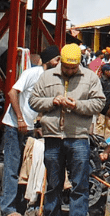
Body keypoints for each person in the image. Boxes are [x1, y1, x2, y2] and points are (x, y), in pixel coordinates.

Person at [29, 43, 105, 216]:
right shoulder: (46, 77)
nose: (70, 71)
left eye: (73, 68)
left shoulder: (90, 78)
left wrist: (77, 105)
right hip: (53, 138)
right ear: (60, 62)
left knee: (80, 184)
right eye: (66, 67)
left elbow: (99, 103)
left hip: (78, 137)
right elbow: (33, 101)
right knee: (53, 184)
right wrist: (52, 102)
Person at [1, 46, 59, 216]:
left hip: (29, 128)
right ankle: (7, 208)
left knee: (27, 167)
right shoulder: (32, 73)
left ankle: (21, 204)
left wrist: (38, 125)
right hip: (15, 126)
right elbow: (12, 93)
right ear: (49, 61)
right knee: (12, 167)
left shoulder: (49, 79)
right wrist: (19, 118)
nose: (58, 63)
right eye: (56, 60)